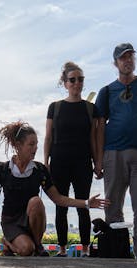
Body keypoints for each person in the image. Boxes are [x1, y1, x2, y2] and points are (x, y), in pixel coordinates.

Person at [0, 122, 107, 255]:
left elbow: (58, 199)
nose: (35, 148)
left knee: (36, 201)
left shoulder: (40, 170)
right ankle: (8, 242)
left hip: (31, 219)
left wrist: (85, 203)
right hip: (11, 220)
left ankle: (38, 245)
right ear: (18, 145)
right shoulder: (2, 169)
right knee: (25, 251)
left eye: (36, 144)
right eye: (31, 144)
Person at [95, 43, 137, 260]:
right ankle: (117, 250)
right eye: (123, 58)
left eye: (130, 57)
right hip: (113, 153)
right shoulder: (106, 91)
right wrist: (98, 160)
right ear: (115, 63)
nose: (127, 61)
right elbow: (99, 128)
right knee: (112, 206)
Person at [43, 61, 100, 257]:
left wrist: (97, 162)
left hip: (83, 162)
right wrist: (45, 162)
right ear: (65, 83)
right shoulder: (55, 107)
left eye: (80, 79)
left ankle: (85, 248)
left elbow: (93, 137)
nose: (77, 83)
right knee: (61, 205)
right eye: (73, 80)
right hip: (59, 161)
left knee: (84, 205)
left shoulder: (90, 108)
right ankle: (62, 248)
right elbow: (48, 136)